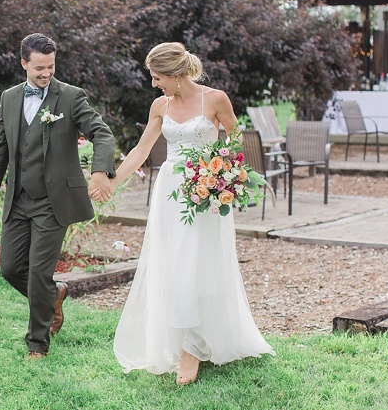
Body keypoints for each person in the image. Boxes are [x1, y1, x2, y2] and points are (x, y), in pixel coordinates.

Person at [101, 42, 275, 383]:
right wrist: (112, 183)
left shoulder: (215, 99)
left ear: (176, 75)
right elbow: (141, 150)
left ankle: (192, 349)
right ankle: (182, 339)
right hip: (170, 192)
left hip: (205, 194)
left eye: (157, 77)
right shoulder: (160, 105)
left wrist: (222, 174)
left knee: (195, 265)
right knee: (172, 265)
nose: (154, 83)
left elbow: (237, 139)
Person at [0, 33, 116, 359]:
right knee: (10, 268)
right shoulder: (9, 98)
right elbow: (0, 150)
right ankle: (54, 295)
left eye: (51, 66)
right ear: (23, 63)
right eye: (39, 67)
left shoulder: (70, 97)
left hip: (54, 201)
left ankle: (37, 345)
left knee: (38, 272)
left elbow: (101, 133)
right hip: (18, 199)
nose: (46, 73)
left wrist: (100, 172)